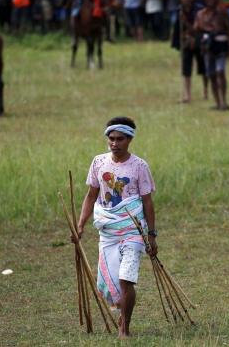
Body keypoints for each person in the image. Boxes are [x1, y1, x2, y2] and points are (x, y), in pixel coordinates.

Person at [70, 116, 157, 339]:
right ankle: (121, 315)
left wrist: (152, 235)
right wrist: (80, 225)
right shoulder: (98, 162)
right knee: (110, 279)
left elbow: (147, 203)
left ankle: (124, 329)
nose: (114, 143)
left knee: (126, 278)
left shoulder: (139, 166)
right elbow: (91, 196)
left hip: (133, 230)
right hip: (107, 231)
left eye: (120, 139)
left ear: (129, 139)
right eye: (111, 139)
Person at [193, 0, 229, 111]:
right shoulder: (200, 14)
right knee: (211, 74)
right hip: (207, 46)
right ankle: (217, 102)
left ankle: (224, 101)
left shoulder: (223, 13)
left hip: (221, 44)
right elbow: (196, 30)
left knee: (220, 71)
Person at [171, 0, 207, 103]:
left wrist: (185, 21)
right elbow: (177, 29)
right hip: (186, 43)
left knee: (203, 68)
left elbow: (198, 30)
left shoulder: (199, 10)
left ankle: (205, 91)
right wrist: (178, 46)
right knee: (186, 69)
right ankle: (187, 95)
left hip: (199, 41)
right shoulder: (179, 11)